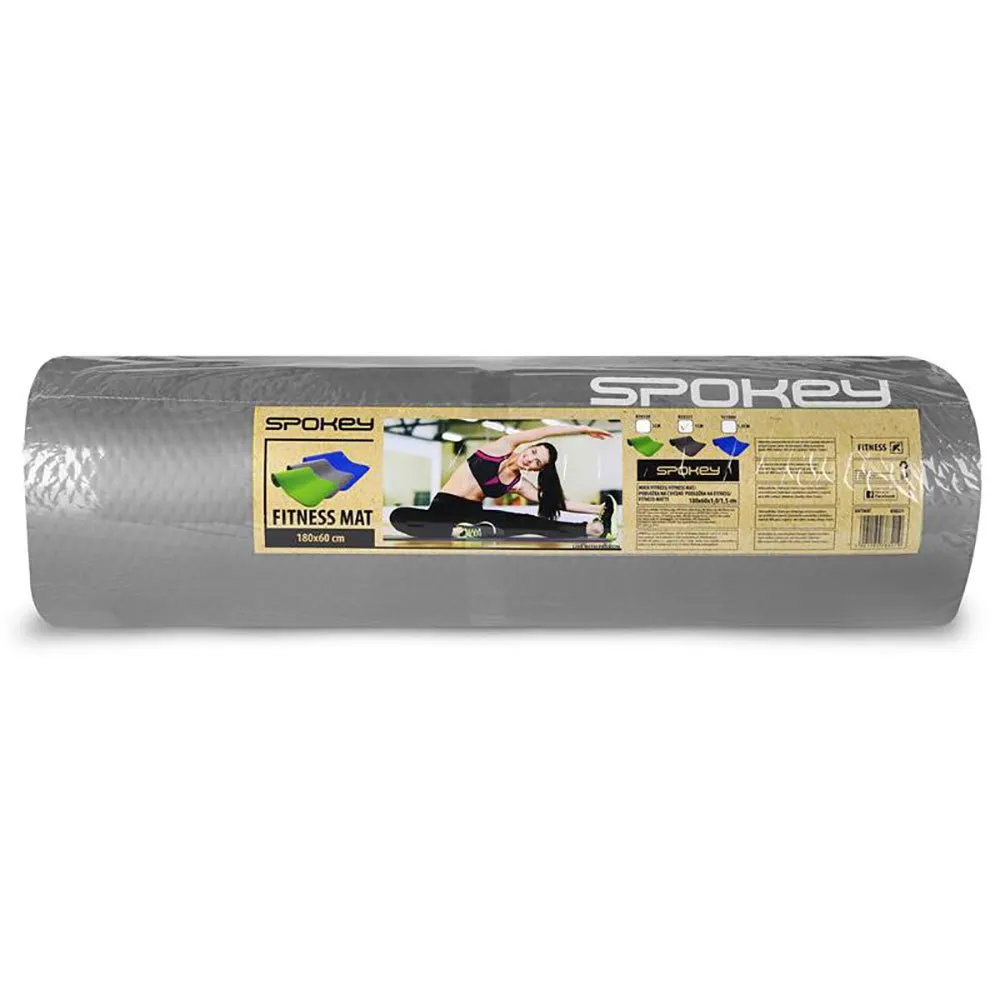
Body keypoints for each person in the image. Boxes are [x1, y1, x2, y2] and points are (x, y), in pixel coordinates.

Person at [389, 423, 618, 541]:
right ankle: (458, 532)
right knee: (398, 516)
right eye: (533, 452)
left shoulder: (519, 484)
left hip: (474, 517)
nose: (530, 459)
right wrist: (582, 429)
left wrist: (598, 509)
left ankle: (591, 529)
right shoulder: (501, 447)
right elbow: (545, 431)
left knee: (529, 522)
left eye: (537, 462)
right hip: (442, 509)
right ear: (529, 446)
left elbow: (555, 503)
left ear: (537, 469)